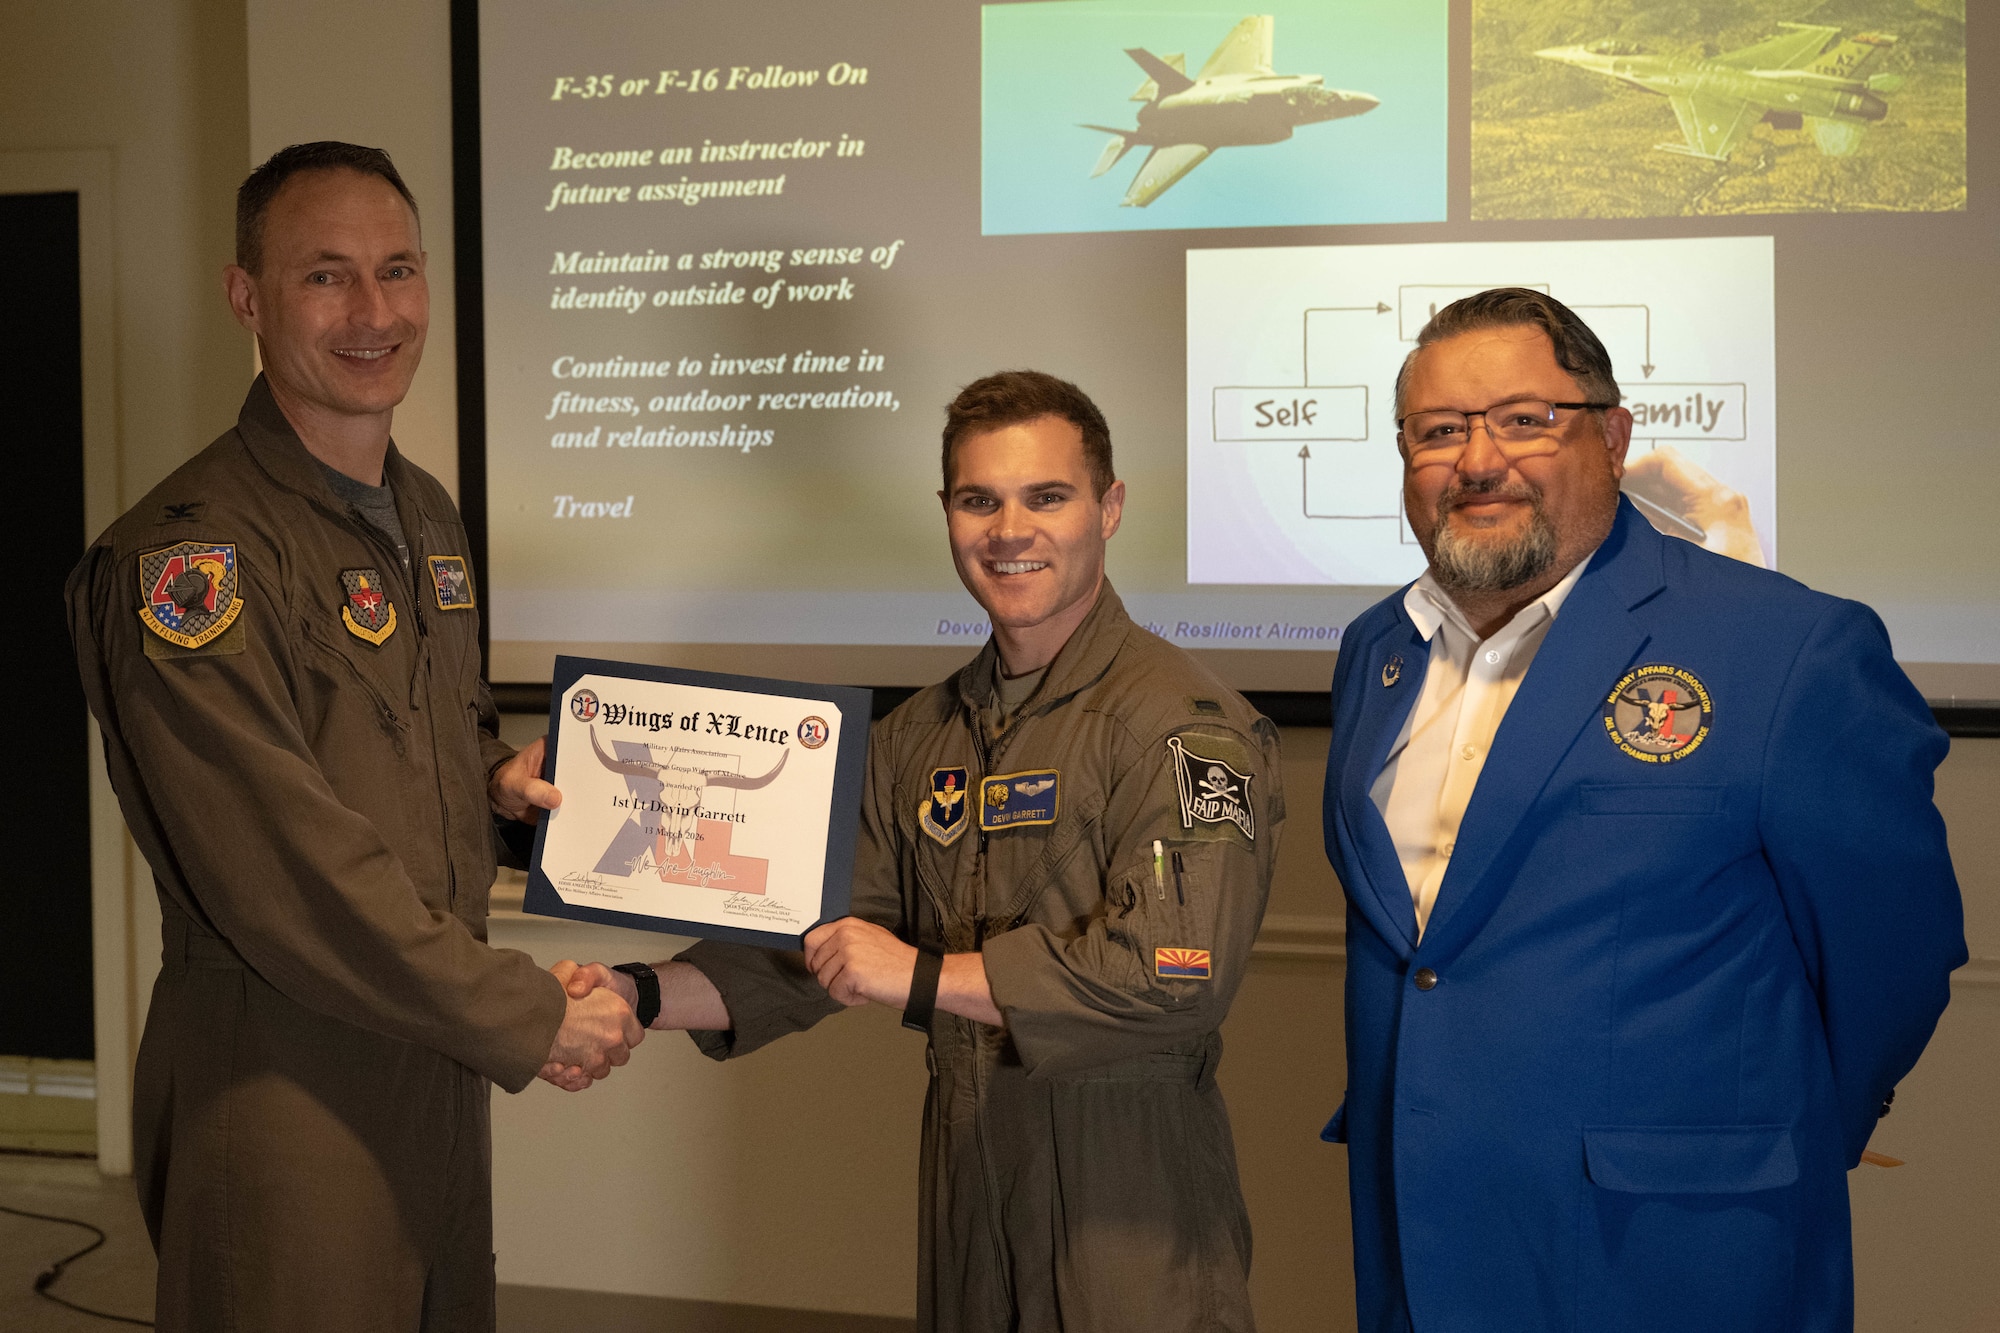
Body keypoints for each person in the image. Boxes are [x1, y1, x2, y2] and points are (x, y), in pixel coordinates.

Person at [553, 371, 1284, 1332]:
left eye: (1046, 497)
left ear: (1108, 509)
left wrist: (926, 975)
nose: (1008, 530)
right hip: (969, 1177)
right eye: (979, 500)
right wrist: (635, 993)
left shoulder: (1184, 727)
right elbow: (809, 947)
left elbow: (1174, 971)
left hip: (1130, 1199)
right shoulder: (921, 737)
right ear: (947, 514)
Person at [66, 142, 643, 1332]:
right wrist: (528, 1013)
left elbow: (394, 752)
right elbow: (285, 866)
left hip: (426, 1053)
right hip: (286, 1072)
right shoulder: (191, 560)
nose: (374, 313)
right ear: (247, 297)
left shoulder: (422, 511)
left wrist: (495, 789)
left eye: (398, 270)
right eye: (326, 276)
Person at [1318, 288, 1965, 1331]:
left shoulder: (1784, 648)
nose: (1477, 460)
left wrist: (1779, 1128)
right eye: (1437, 431)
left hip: (1675, 1254)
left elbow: (1889, 953)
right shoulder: (1374, 652)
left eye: (1524, 419)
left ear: (1612, 437)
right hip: (1423, 1238)